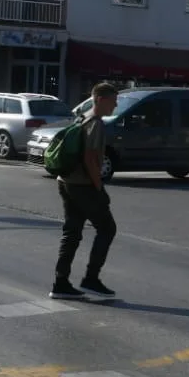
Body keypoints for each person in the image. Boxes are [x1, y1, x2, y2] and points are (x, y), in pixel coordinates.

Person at [51, 82, 118, 300]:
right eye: (113, 101)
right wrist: (99, 188)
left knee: (72, 232)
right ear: (100, 100)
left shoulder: (82, 117)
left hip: (66, 181)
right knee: (107, 228)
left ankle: (60, 282)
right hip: (82, 185)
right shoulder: (95, 123)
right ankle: (91, 279)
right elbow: (90, 158)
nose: (115, 106)